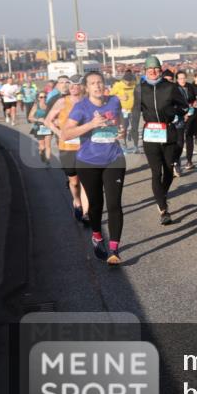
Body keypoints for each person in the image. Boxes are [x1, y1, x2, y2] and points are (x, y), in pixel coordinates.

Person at [60, 72, 127, 266]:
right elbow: (65, 134)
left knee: (114, 204)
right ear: (86, 88)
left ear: (104, 84)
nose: (97, 86)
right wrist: (91, 124)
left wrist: (121, 130)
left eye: (99, 82)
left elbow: (119, 121)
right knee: (96, 204)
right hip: (88, 162)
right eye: (92, 83)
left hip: (114, 159)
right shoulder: (81, 107)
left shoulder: (114, 101)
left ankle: (114, 249)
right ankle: (97, 236)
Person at [132, 57, 188, 226]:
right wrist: (133, 131)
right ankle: (163, 209)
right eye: (150, 70)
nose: (154, 72)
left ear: (161, 70)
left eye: (156, 69)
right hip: (151, 134)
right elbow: (136, 111)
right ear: (145, 71)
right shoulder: (140, 89)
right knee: (157, 172)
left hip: (168, 131)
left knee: (168, 170)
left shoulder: (170, 87)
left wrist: (174, 112)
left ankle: (161, 195)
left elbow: (184, 105)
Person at [44, 75, 90, 222]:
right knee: (74, 181)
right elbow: (47, 121)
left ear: (83, 86)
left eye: (77, 84)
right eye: (72, 84)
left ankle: (86, 213)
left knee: (85, 181)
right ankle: (77, 201)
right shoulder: (62, 102)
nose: (74, 87)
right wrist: (60, 133)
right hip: (67, 147)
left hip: (86, 146)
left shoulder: (88, 101)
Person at [173, 70, 197, 171]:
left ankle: (189, 161)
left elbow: (194, 98)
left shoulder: (190, 86)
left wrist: (194, 103)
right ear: (177, 79)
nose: (182, 80)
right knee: (179, 140)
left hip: (191, 114)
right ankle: (177, 162)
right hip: (179, 116)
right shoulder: (174, 88)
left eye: (184, 78)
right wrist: (182, 113)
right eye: (180, 78)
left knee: (189, 136)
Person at [110, 71, 138, 152]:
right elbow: (110, 96)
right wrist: (120, 97)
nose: (128, 83)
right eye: (126, 81)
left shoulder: (134, 84)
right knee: (124, 129)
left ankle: (135, 146)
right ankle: (124, 146)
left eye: (130, 81)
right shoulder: (118, 85)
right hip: (123, 111)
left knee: (134, 129)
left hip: (133, 110)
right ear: (123, 80)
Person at [29, 91, 53, 164]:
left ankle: (48, 162)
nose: (43, 98)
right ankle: (42, 154)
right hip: (39, 127)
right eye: (41, 97)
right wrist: (38, 119)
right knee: (42, 147)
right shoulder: (36, 106)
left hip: (48, 126)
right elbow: (30, 117)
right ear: (38, 98)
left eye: (45, 97)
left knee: (48, 145)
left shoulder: (49, 106)